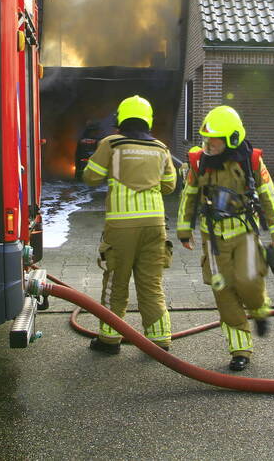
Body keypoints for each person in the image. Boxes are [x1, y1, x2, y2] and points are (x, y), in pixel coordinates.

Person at [176, 105, 274, 372]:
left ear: (232, 139)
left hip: (244, 234)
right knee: (224, 293)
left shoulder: (251, 161)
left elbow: (269, 196)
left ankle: (259, 310)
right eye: (206, 139)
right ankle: (240, 350)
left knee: (249, 282)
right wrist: (184, 230)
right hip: (213, 239)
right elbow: (188, 196)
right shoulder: (198, 162)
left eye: (214, 139)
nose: (208, 144)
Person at [82, 95, 177, 354]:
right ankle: (159, 341)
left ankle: (110, 340)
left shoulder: (111, 143)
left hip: (122, 228)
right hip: (155, 226)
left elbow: (91, 176)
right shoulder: (161, 148)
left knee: (116, 283)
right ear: (148, 119)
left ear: (120, 119)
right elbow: (170, 186)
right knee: (151, 283)